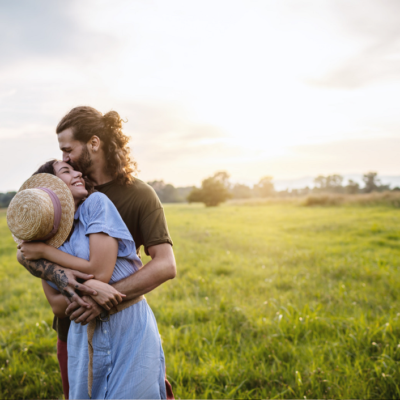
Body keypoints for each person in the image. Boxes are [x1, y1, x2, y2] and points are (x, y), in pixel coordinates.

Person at [17, 106, 176, 398]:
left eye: (67, 150)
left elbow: (165, 265)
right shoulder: (60, 199)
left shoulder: (138, 195)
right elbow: (27, 253)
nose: (64, 159)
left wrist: (102, 299)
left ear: (93, 143)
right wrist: (50, 267)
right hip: (72, 330)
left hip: (125, 330)